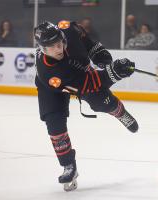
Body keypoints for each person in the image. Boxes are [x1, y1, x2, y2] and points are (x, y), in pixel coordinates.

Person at [34, 20, 138, 191]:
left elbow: (90, 44)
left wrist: (105, 62)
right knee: (54, 121)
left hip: (80, 71)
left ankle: (118, 111)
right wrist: (114, 74)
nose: (59, 49)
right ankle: (68, 165)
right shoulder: (49, 72)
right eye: (53, 47)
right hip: (52, 87)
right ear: (43, 49)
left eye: (60, 43)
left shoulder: (69, 28)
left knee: (101, 103)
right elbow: (89, 84)